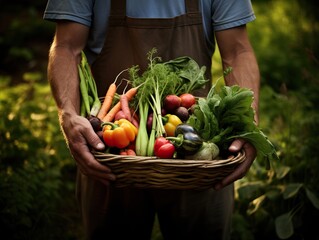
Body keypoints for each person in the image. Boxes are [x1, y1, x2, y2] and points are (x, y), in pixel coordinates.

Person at [44, 0, 259, 239]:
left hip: (196, 156)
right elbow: (65, 46)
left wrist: (247, 122)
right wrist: (68, 114)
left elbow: (238, 51)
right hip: (110, 151)